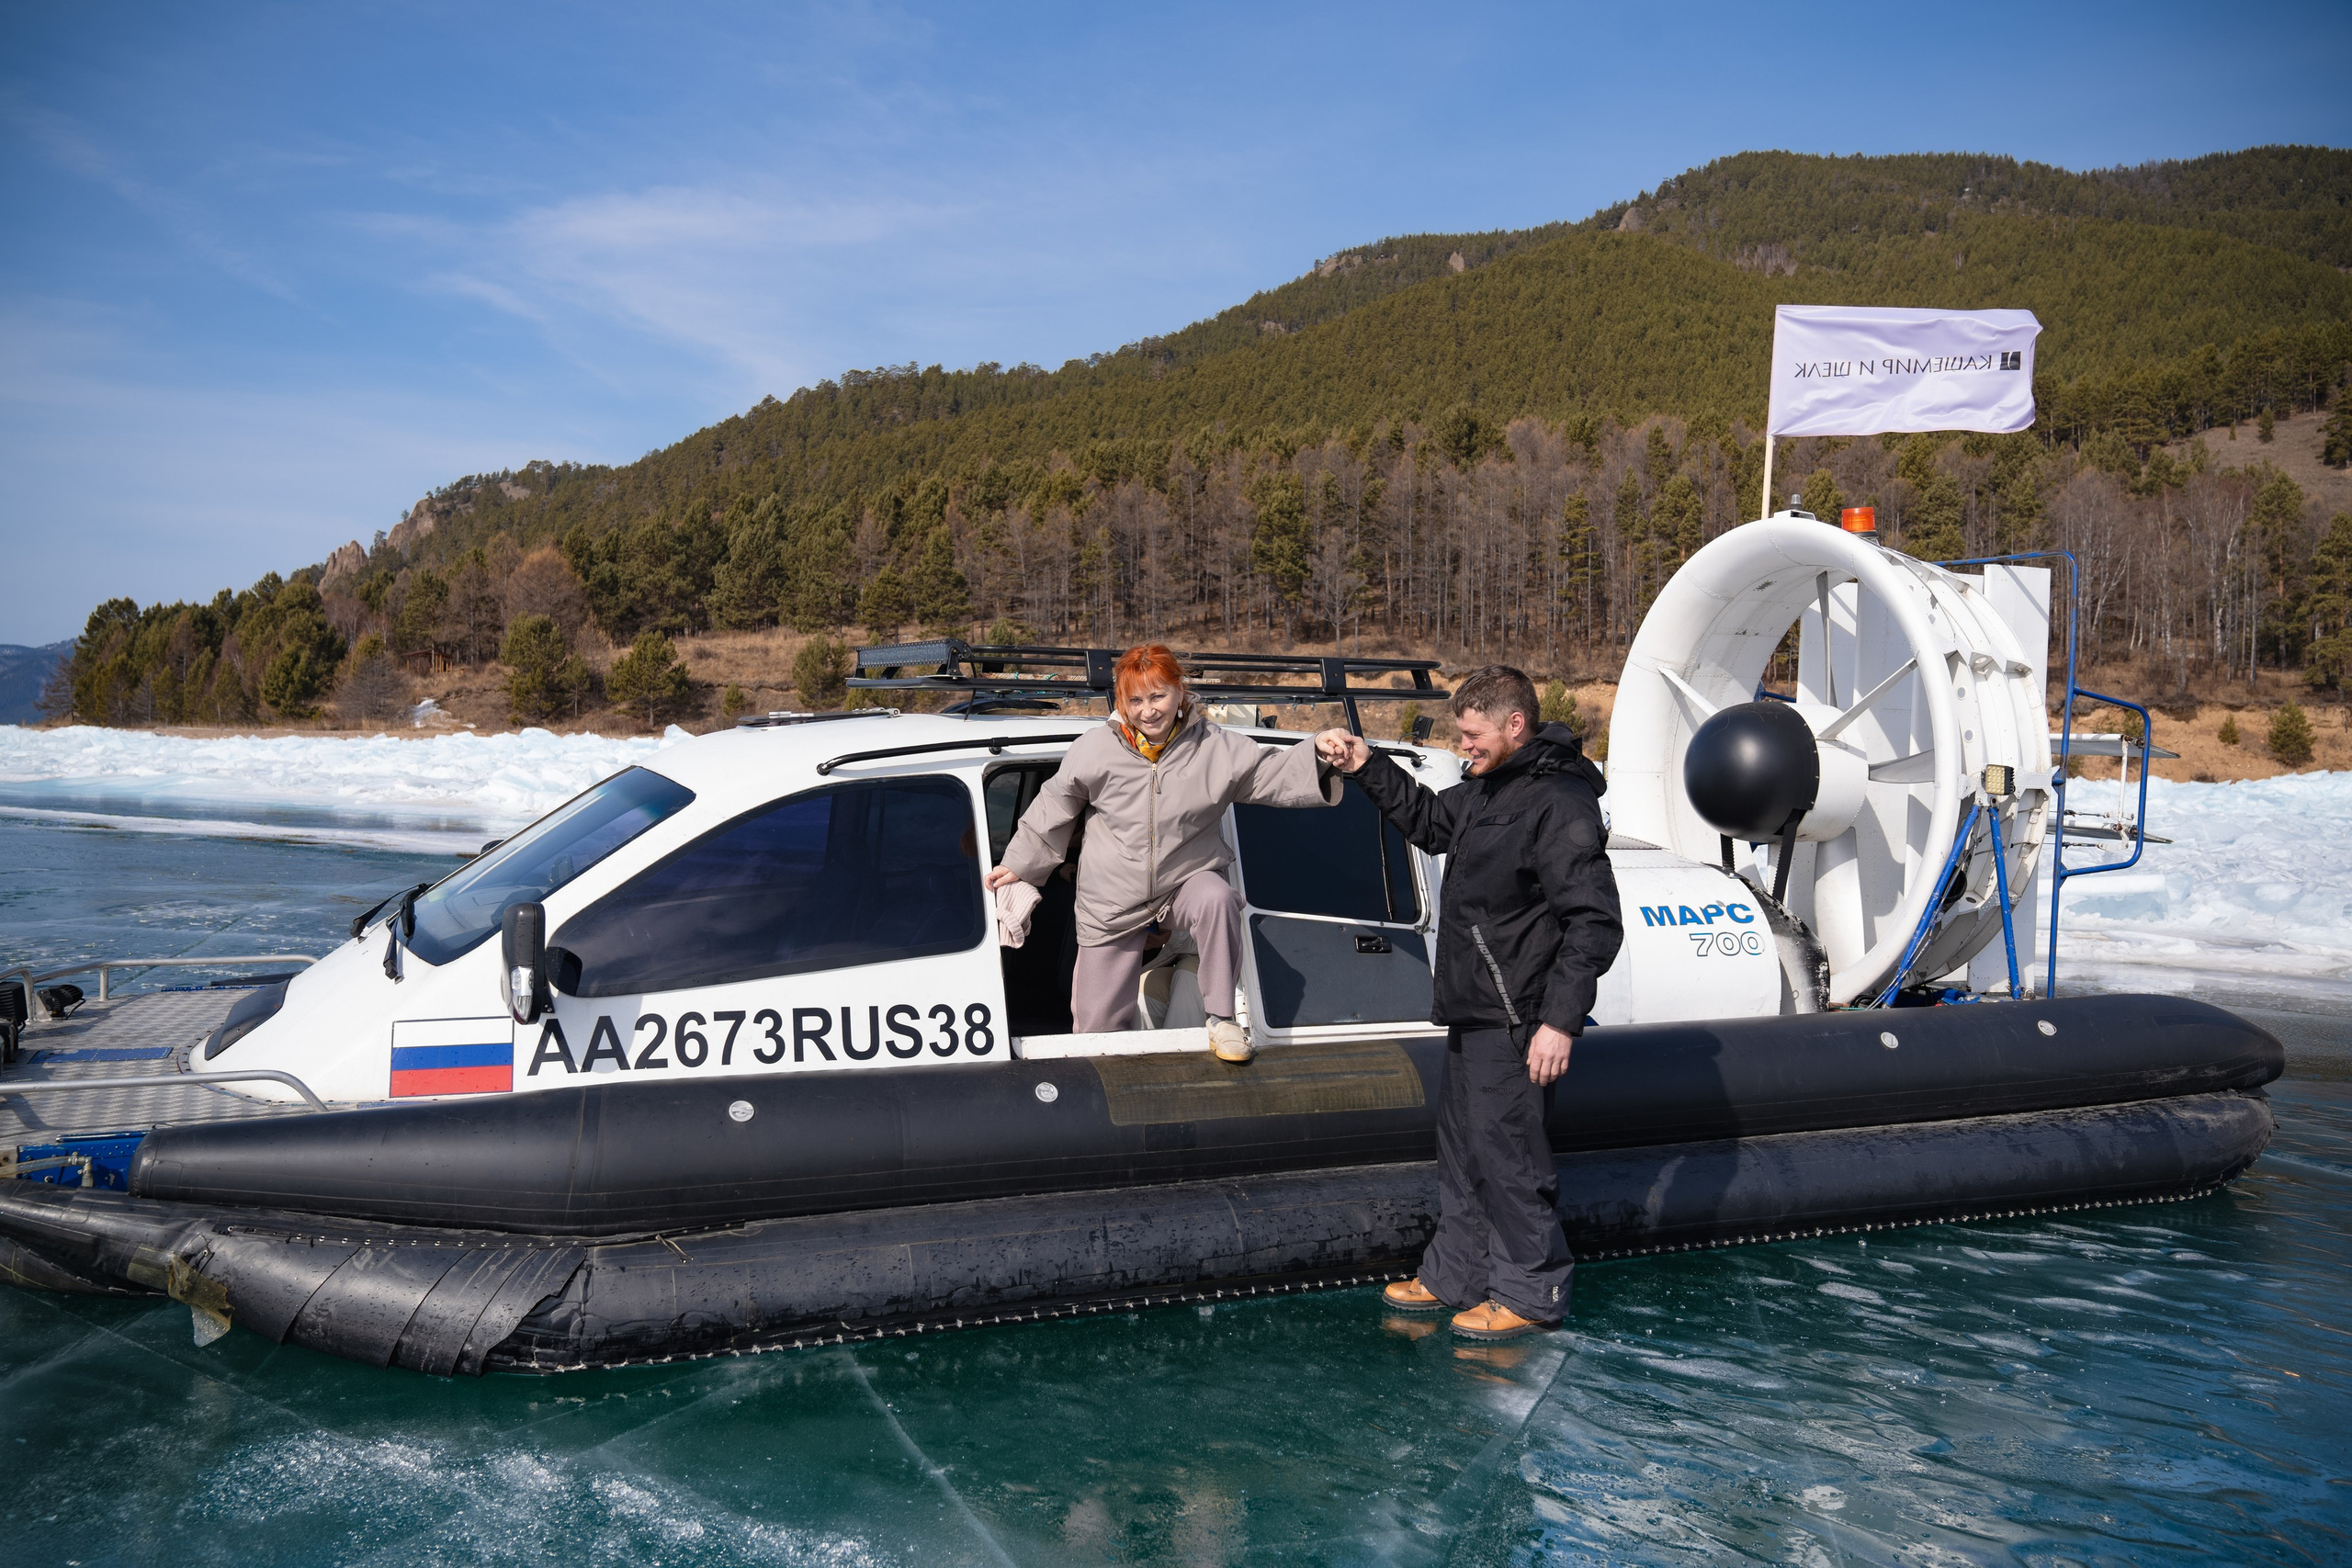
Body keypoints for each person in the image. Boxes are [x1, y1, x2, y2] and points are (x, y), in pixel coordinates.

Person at [1313, 666, 1622, 1341]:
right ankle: (1456, 1273)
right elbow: (1428, 822)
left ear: (1515, 725)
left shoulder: (1560, 803)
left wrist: (1560, 1022)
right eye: (1460, 735)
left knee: (1508, 1153)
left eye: (1473, 734)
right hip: (1472, 1005)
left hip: (1520, 1014)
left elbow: (1593, 922)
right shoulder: (1490, 787)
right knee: (1462, 1149)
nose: (1464, 747)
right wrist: (1368, 764)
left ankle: (1531, 1290)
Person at [987, 644, 1341, 1062]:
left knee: (1218, 898)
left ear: (1180, 692)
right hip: (1111, 900)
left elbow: (1272, 773)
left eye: (1158, 696)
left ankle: (1221, 1018)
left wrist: (1319, 751)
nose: (1148, 711)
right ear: (1122, 702)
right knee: (1096, 1034)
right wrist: (1018, 864)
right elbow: (1055, 805)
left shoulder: (1217, 747)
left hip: (1183, 881)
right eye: (1135, 700)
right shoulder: (1095, 748)